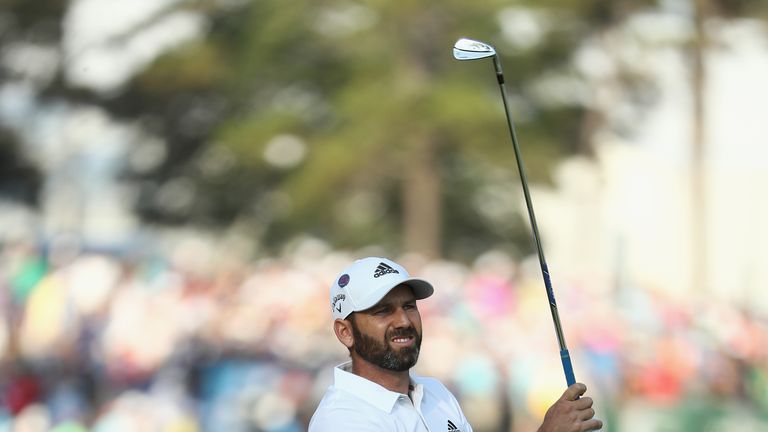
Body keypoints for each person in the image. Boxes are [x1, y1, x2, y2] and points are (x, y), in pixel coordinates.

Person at [309, 257, 602, 432]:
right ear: (345, 332)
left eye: (409, 306)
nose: (403, 321)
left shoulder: (436, 393)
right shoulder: (342, 420)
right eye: (382, 311)